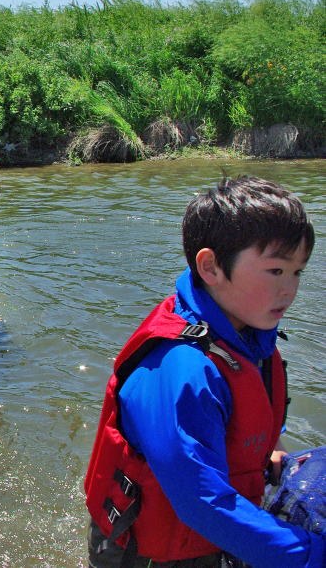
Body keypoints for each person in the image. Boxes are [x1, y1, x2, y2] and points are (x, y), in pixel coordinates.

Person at [84, 176, 321, 568]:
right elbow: (200, 502)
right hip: (148, 555)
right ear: (211, 267)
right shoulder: (179, 368)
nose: (289, 290)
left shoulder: (248, 337)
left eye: (298, 273)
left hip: (214, 540)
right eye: (276, 271)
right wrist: (311, 554)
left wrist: (271, 458)